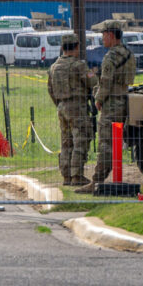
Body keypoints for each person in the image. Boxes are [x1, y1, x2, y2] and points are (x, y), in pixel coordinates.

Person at [76, 20, 135, 193]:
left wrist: (98, 98)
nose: (102, 38)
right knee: (115, 142)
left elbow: (106, 82)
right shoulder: (128, 53)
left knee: (105, 143)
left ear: (110, 35)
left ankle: (96, 181)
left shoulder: (111, 56)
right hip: (124, 100)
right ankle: (113, 176)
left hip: (111, 104)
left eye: (103, 35)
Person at [47, 34, 96, 187]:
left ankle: (66, 175)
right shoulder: (78, 65)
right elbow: (92, 82)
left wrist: (60, 103)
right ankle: (77, 175)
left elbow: (50, 89)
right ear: (76, 47)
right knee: (81, 139)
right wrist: (94, 73)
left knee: (66, 142)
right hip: (77, 107)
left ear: (62, 48)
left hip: (61, 107)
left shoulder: (54, 67)